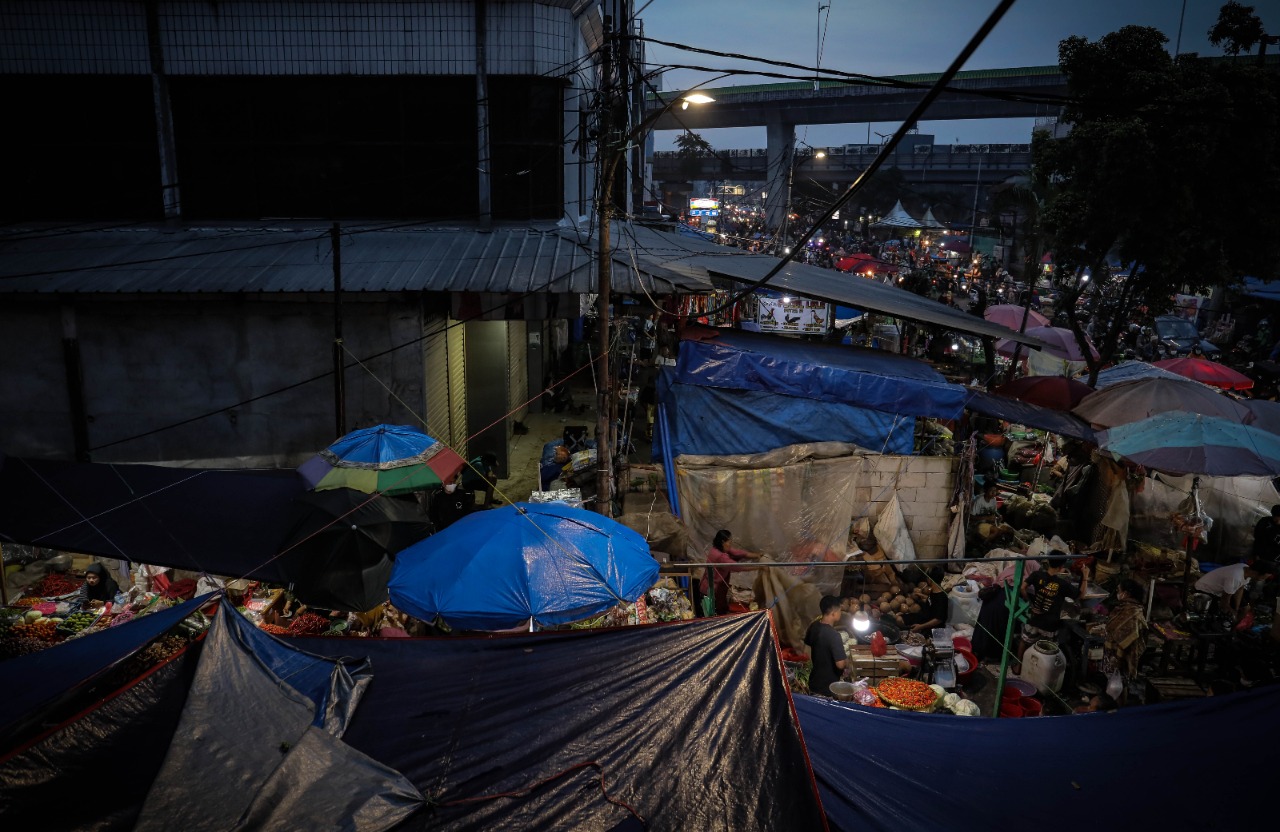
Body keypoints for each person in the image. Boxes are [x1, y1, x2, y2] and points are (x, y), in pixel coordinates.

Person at [1017, 555, 1088, 664]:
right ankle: (1040, 670)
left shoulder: (1036, 575)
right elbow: (1081, 595)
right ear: (1061, 567)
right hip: (1051, 625)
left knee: (1025, 640)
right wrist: (1085, 576)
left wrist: (1031, 603)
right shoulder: (1063, 584)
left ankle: (1018, 666)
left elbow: (1022, 587)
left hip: (1035, 619)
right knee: (1047, 651)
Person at [699, 529, 763, 616]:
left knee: (719, 611)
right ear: (723, 542)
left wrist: (757, 555)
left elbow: (738, 553)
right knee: (711, 617)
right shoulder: (721, 557)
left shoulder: (716, 549)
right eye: (729, 542)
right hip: (710, 592)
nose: (730, 544)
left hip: (712, 589)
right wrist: (759, 567)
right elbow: (738, 567)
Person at [1104, 579, 1148, 701]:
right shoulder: (1125, 608)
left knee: (1121, 682)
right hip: (1113, 652)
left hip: (1124, 654)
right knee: (1116, 682)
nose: (1117, 593)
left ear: (1126, 593)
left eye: (1119, 591)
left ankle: (1119, 707)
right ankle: (1115, 704)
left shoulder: (1133, 612)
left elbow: (1130, 633)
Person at [1193, 560, 1271, 622]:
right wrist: (1231, 610)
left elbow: (1240, 589)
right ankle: (1223, 627)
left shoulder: (1247, 569)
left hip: (1222, 590)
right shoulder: (1235, 577)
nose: (1264, 580)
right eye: (1264, 577)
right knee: (1217, 615)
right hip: (1205, 589)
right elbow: (1225, 600)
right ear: (1256, 573)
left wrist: (1236, 608)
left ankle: (1232, 628)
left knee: (1246, 608)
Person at [804, 595, 849, 697]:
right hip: (828, 689)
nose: (840, 613)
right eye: (840, 611)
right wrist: (847, 661)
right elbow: (840, 664)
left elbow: (807, 646)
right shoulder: (834, 635)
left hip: (814, 683)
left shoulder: (814, 626)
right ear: (833, 613)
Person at [904, 570, 949, 634]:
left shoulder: (941, 598)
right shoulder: (935, 590)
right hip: (925, 615)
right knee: (901, 617)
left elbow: (938, 620)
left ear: (930, 579)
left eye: (928, 577)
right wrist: (920, 595)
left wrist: (920, 627)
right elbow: (931, 600)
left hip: (930, 625)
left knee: (900, 620)